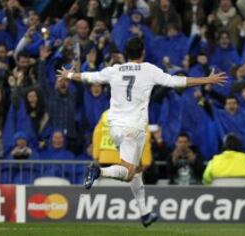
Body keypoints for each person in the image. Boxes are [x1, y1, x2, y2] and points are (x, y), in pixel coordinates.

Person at [56, 37, 227, 227]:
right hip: (133, 128)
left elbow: (90, 76)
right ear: (143, 53)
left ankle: (145, 213)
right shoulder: (149, 70)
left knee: (136, 171)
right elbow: (176, 81)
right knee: (128, 172)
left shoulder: (115, 70)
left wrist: (69, 76)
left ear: (126, 53)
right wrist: (207, 79)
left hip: (114, 126)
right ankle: (99, 171)